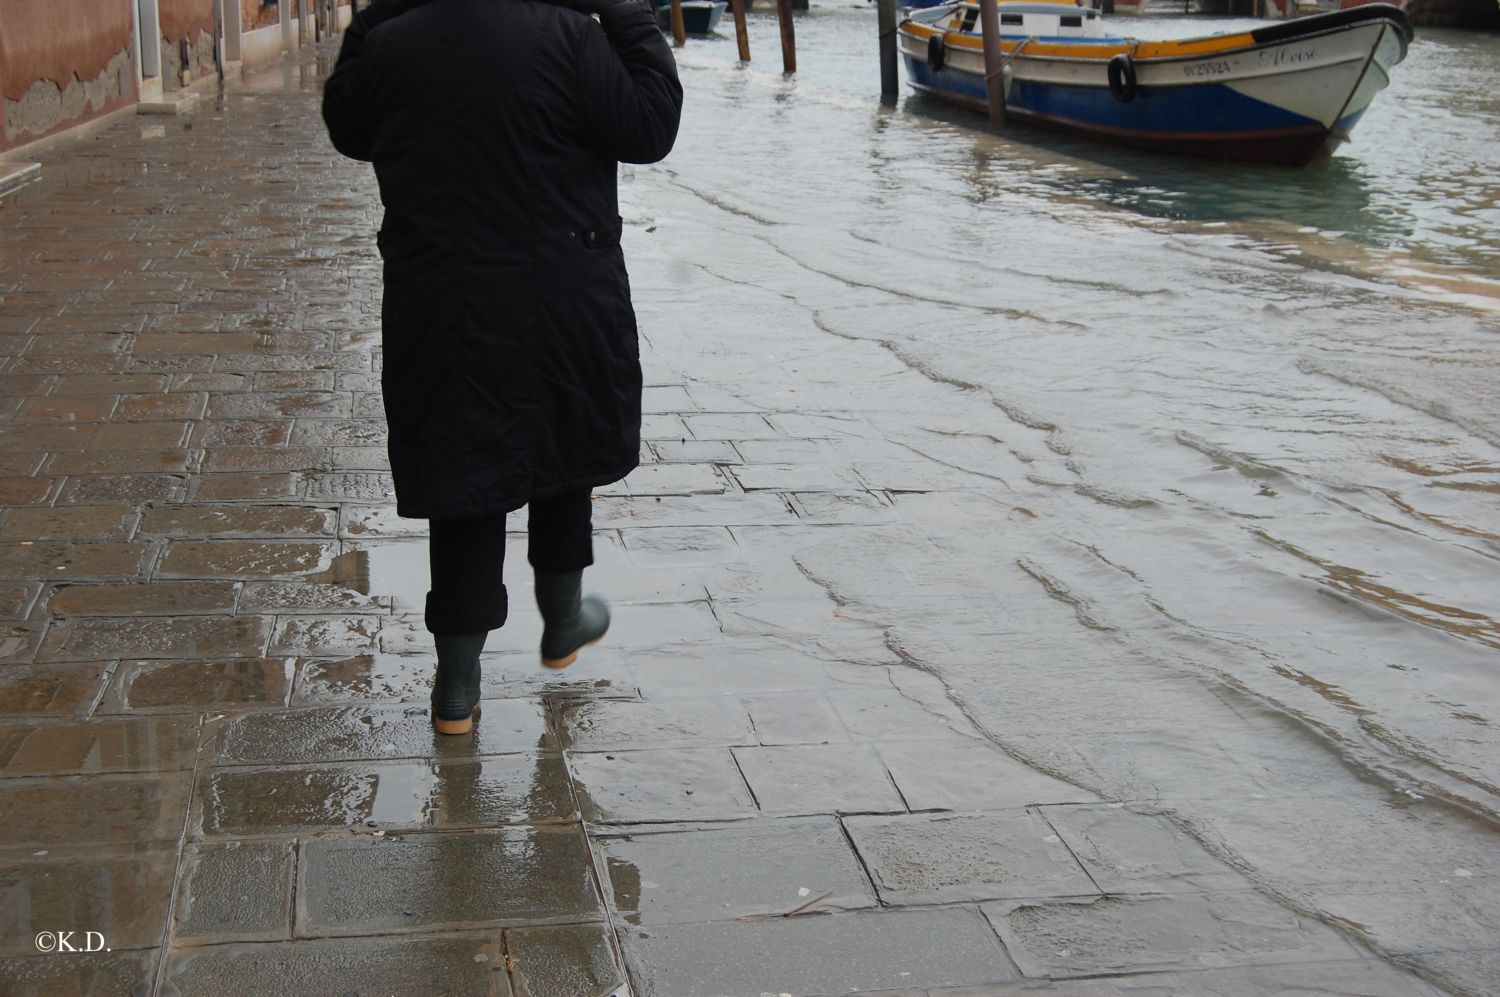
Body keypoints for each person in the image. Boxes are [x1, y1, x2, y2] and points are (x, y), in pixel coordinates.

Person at [321, 0, 683, 734]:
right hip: (560, 299)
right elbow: (651, 124)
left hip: (440, 307)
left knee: (464, 482)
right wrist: (623, 10)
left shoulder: (392, 46)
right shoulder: (572, 38)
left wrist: (380, 15)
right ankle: (562, 620)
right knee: (561, 455)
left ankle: (457, 687)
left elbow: (346, 123)